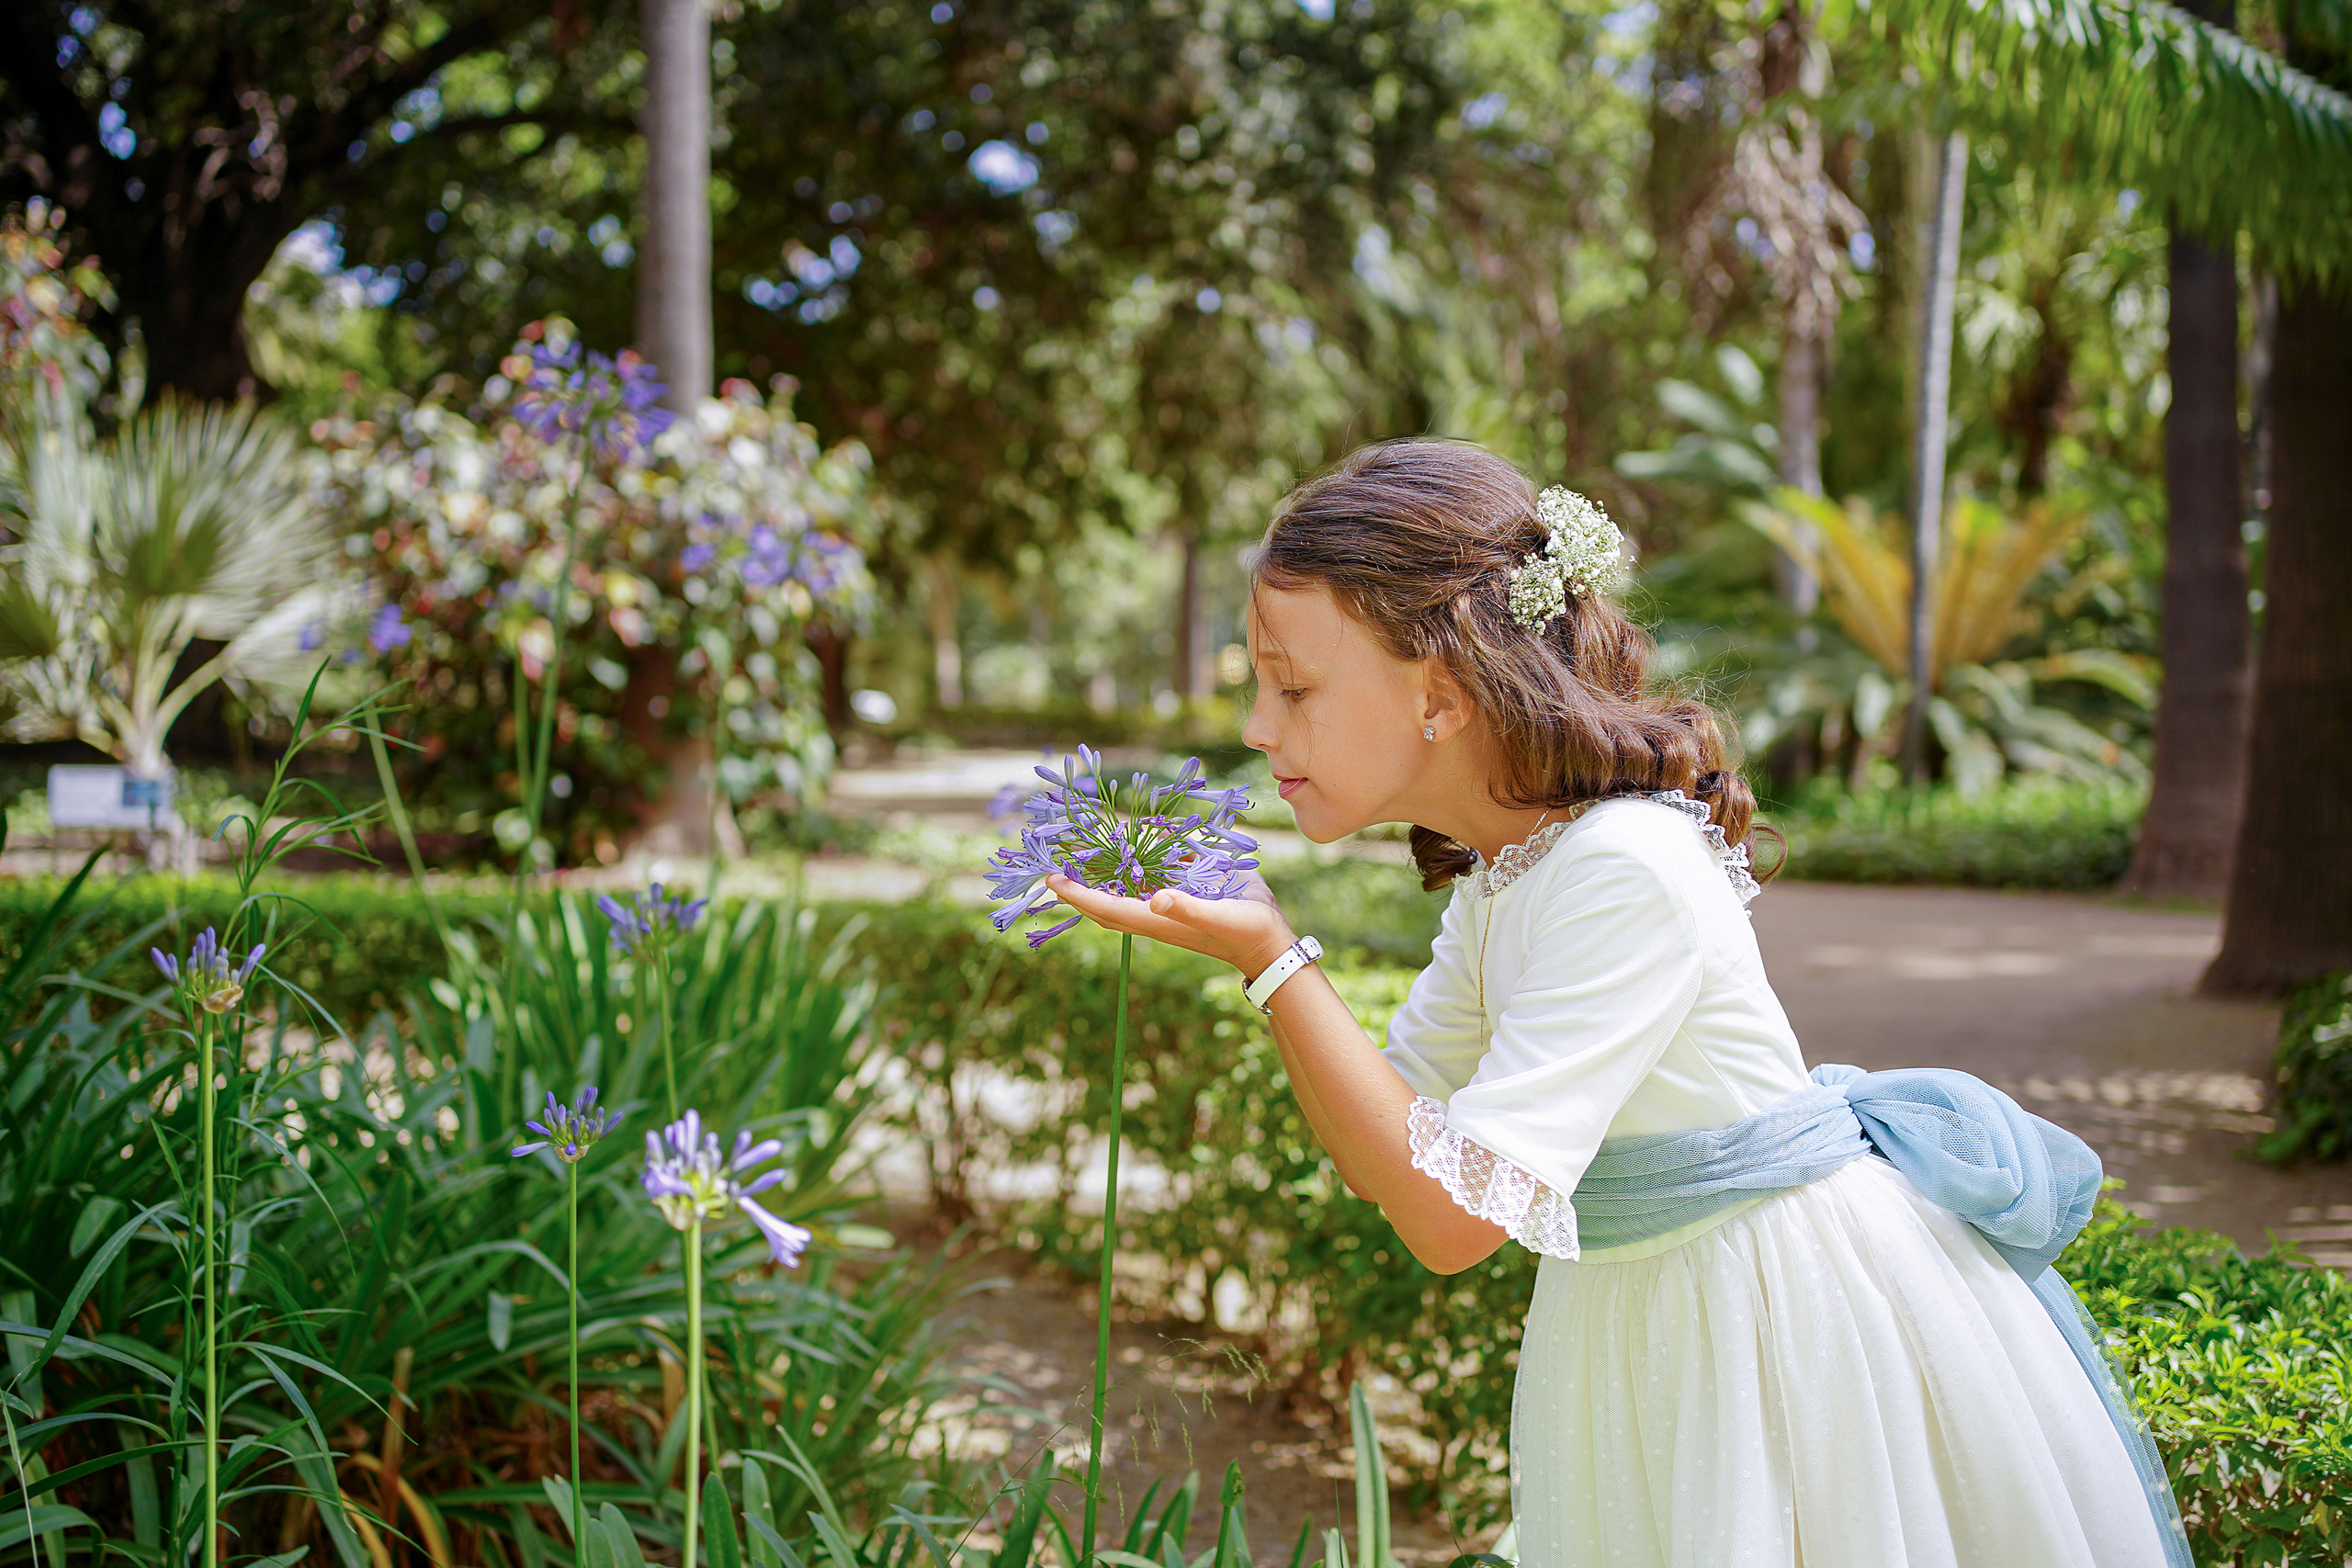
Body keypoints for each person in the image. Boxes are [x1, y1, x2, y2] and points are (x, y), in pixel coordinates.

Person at [1043, 440, 2188, 1567]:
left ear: (1439, 695)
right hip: (1642, 1312)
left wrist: (1276, 961)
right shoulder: (1508, 875)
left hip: (1767, 1325)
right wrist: (1261, 956)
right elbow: (1392, 1149)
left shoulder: (1620, 868)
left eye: (1290, 685)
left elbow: (1450, 1224)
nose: (1254, 725)